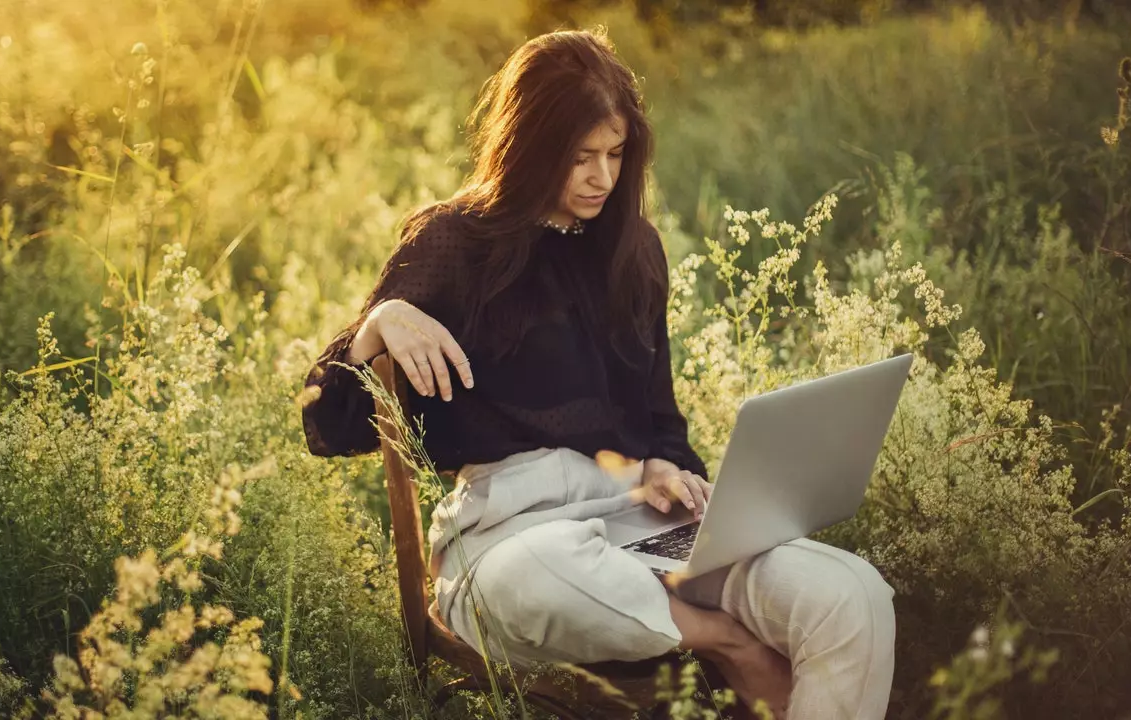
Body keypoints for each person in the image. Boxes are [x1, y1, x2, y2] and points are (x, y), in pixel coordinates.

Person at [302, 28, 895, 720]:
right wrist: (380, 324)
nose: (601, 177)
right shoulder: (454, 241)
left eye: (615, 155)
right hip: (509, 540)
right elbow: (325, 423)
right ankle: (728, 643)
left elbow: (660, 419)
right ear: (528, 147)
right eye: (579, 157)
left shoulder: (633, 249)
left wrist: (672, 469)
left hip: (636, 526)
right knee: (542, 573)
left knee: (854, 595)